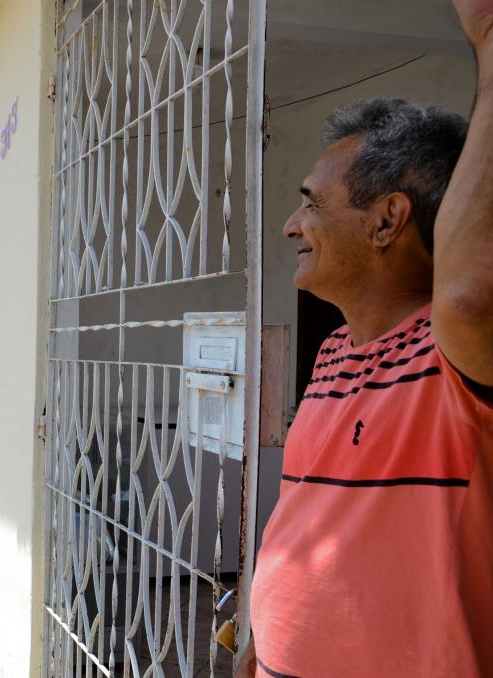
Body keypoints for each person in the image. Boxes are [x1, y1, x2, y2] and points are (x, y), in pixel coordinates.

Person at [244, 4, 493, 675]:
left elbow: (471, 296)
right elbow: (302, 511)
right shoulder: (333, 351)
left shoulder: (453, 357)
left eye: (311, 202)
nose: (292, 225)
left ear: (387, 221)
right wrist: (258, 640)